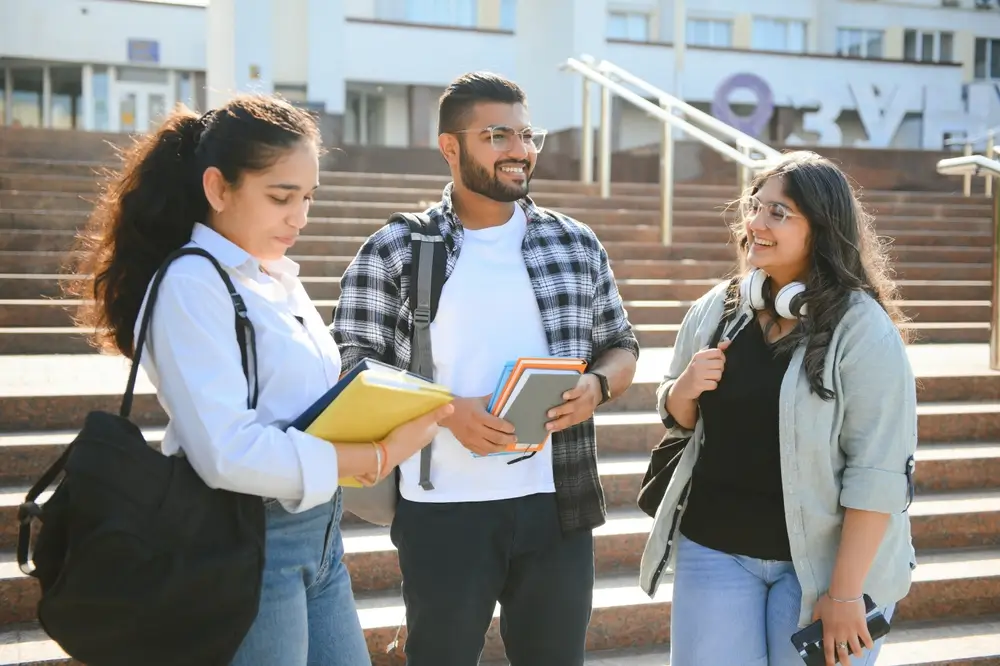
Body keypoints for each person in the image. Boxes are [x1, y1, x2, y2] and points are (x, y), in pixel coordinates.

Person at [63, 94, 453, 666]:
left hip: (318, 538)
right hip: (247, 542)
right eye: (280, 196)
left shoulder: (271, 276)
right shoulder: (191, 284)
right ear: (218, 188)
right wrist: (373, 454)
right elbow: (224, 451)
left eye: (308, 198)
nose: (299, 216)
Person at [332, 71, 639, 665]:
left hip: (557, 504)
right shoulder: (399, 247)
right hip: (442, 510)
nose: (520, 150)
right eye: (498, 135)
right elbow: (355, 369)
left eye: (526, 135)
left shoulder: (575, 243)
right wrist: (447, 412)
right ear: (451, 147)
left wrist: (595, 386)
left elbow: (621, 345)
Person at [638, 151, 917, 666]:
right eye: (755, 205)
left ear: (823, 228)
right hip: (716, 550)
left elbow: (878, 473)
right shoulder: (716, 309)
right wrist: (683, 390)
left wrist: (845, 594)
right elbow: (675, 416)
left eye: (778, 213)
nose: (755, 223)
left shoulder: (863, 330)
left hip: (825, 567)